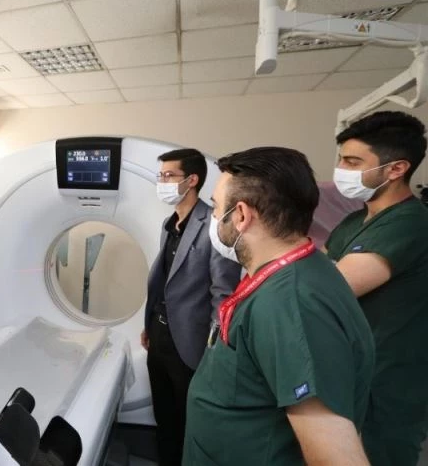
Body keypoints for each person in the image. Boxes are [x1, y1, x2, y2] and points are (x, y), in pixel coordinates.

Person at [184, 146, 374, 465]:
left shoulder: (291, 305)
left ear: (241, 215)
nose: (213, 218)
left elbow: (337, 457)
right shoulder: (298, 270)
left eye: (216, 207)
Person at [325, 110, 428, 465]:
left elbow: (331, 288)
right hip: (351, 370)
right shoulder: (355, 219)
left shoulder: (410, 224)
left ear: (396, 169)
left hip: (388, 381)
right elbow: (319, 266)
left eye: (353, 162)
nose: (341, 170)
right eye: (341, 159)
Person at [141, 148, 241, 465]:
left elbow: (222, 292)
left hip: (191, 342)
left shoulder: (213, 224)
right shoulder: (168, 224)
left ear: (192, 180)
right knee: (164, 417)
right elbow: (164, 281)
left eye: (169, 175)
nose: (162, 182)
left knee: (188, 421)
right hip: (159, 335)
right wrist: (148, 325)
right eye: (161, 176)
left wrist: (213, 348)